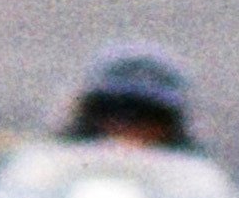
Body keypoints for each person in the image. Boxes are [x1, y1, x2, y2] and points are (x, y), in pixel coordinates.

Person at [68, 44, 196, 149]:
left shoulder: (192, 174)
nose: (128, 128)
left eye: (148, 117)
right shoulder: (58, 167)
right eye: (114, 113)